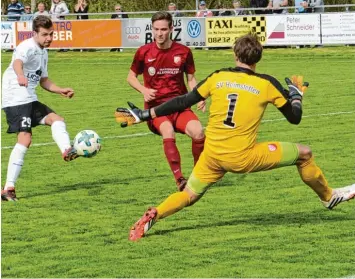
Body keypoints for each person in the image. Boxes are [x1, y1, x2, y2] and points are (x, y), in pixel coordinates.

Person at [115, 34, 355, 241]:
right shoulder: (266, 83)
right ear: (258, 59)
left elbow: (183, 101)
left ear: (235, 55)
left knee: (188, 194)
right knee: (304, 154)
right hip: (242, 158)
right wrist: (296, 96)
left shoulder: (218, 77)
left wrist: (146, 114)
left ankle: (153, 215)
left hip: (211, 155)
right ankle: (328, 197)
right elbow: (295, 118)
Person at [123, 11, 205, 191]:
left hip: (181, 107)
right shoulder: (144, 52)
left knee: (199, 133)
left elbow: (191, 79)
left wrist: (199, 96)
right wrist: (143, 90)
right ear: (152, 29)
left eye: (163, 29)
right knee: (168, 131)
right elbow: (130, 77)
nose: (159, 33)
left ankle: (199, 175)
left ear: (171, 29)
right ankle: (180, 179)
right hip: (156, 110)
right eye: (156, 29)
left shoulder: (183, 52)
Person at [1, 16, 79, 202]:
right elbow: (17, 63)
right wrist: (20, 76)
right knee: (25, 138)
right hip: (15, 98)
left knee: (57, 120)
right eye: (45, 35)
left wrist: (60, 89)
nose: (49, 38)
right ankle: (8, 188)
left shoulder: (43, 52)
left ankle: (67, 150)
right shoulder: (26, 46)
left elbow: (43, 80)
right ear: (35, 33)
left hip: (29, 97)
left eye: (51, 34)